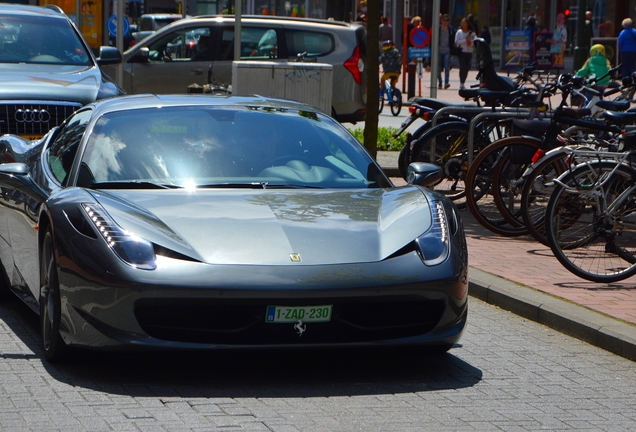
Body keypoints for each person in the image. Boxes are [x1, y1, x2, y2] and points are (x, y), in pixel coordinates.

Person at [455, 17, 476, 89]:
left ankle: (463, 81)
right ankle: (461, 83)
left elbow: (475, 41)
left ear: (467, 24)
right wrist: (465, 40)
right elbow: (457, 42)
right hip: (462, 52)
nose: (463, 24)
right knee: (462, 67)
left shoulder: (471, 33)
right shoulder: (459, 32)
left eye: (464, 23)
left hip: (469, 52)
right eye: (462, 23)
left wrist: (471, 43)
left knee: (467, 68)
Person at [438, 14, 454, 89]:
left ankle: (446, 83)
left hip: (447, 51)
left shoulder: (450, 29)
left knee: (447, 67)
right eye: (444, 20)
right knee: (438, 68)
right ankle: (440, 82)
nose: (445, 22)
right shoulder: (438, 28)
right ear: (441, 20)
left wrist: (452, 52)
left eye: (447, 20)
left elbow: (452, 41)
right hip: (439, 50)